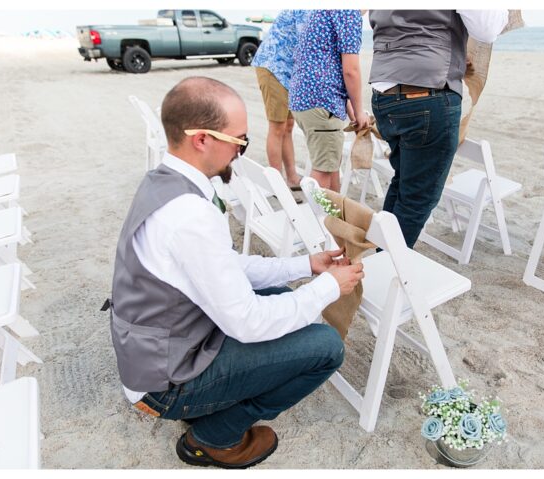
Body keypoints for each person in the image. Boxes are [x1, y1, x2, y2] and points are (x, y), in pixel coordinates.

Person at [108, 77, 364, 469]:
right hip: (163, 384)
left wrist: (306, 266)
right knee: (326, 347)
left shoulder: (165, 180)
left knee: (281, 294)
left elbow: (227, 265)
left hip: (162, 348)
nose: (241, 152)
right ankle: (213, 436)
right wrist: (328, 287)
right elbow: (246, 323)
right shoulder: (189, 214)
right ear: (201, 139)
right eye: (239, 140)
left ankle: (211, 407)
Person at [368, 10, 508, 247]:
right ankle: (390, 267)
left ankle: (382, 256)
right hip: (426, 94)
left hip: (385, 95)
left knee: (403, 184)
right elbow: (487, 28)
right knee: (418, 198)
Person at [288, 9, 369, 193]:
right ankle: (309, 220)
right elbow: (351, 71)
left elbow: (329, 64)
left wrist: (351, 110)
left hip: (303, 98)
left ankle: (334, 216)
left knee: (330, 163)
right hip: (322, 101)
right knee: (322, 172)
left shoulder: (324, 10)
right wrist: (359, 111)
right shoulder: (349, 12)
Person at [250, 9, 308, 189]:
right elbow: (308, 45)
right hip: (273, 66)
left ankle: (291, 177)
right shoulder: (307, 10)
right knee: (277, 126)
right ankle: (276, 185)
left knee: (288, 126)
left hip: (288, 70)